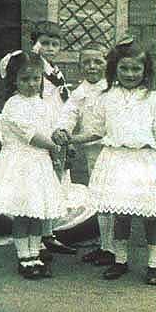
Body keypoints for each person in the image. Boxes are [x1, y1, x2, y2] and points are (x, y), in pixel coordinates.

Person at [70, 40, 156, 285]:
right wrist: (70, 139)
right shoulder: (107, 98)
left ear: (145, 70)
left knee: (152, 215)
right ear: (115, 69)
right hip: (116, 160)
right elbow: (95, 131)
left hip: (145, 161)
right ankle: (120, 260)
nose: (130, 74)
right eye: (124, 69)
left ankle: (154, 265)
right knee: (120, 214)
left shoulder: (155, 99)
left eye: (136, 69)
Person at [0, 50, 64, 279]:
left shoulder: (42, 103)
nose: (32, 84)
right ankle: (24, 257)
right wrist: (54, 145)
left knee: (37, 212)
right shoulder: (13, 105)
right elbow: (30, 135)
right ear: (13, 80)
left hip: (39, 163)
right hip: (21, 163)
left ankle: (35, 252)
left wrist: (56, 145)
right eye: (25, 79)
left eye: (36, 78)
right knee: (23, 212)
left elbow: (48, 128)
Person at [52, 42, 115, 266]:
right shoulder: (81, 92)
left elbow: (105, 129)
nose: (92, 67)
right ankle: (105, 246)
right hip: (93, 154)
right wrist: (62, 130)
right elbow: (70, 113)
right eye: (86, 62)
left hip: (114, 152)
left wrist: (75, 139)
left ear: (107, 64)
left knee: (114, 199)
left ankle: (115, 249)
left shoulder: (113, 90)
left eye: (98, 61)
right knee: (99, 197)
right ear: (80, 66)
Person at [30, 20, 77, 260]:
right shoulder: (33, 66)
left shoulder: (55, 70)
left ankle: (48, 233)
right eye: (44, 43)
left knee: (56, 182)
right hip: (41, 130)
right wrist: (33, 56)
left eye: (54, 44)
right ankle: (36, 240)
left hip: (56, 130)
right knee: (42, 183)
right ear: (35, 44)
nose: (49, 48)